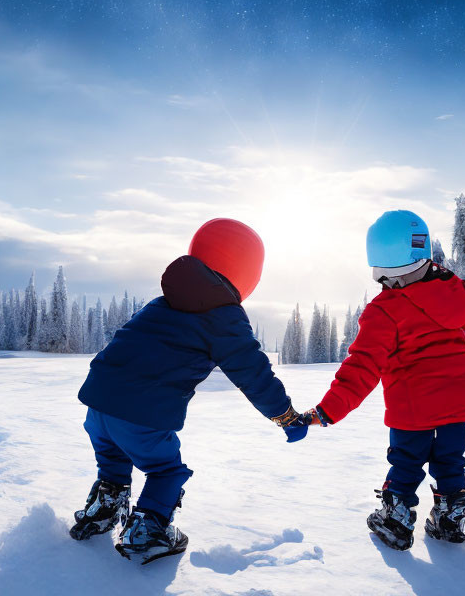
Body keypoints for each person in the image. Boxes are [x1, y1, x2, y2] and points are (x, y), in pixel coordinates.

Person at [70, 218, 305, 564]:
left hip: (98, 406)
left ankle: (104, 505)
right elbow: (253, 373)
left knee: (114, 458)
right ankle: (149, 529)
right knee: (166, 469)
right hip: (141, 416)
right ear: (245, 269)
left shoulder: (161, 303)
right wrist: (285, 415)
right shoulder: (224, 316)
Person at [297, 210, 465, 550]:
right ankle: (449, 516)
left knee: (406, 462)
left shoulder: (384, 311)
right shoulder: (451, 295)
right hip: (458, 407)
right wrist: (441, 274)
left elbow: (361, 368)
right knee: (451, 461)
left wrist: (326, 411)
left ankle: (396, 519)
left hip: (413, 411)